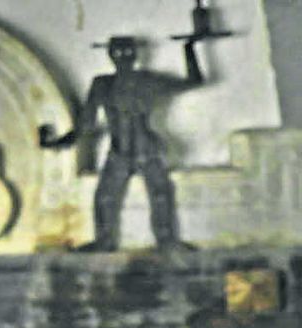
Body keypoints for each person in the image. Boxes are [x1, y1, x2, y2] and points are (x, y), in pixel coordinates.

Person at [38, 10, 221, 252]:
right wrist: (60, 142)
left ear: (135, 54)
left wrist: (189, 48)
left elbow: (194, 81)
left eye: (127, 52)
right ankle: (104, 240)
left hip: (147, 147)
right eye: (118, 52)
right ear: (110, 55)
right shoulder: (102, 84)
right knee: (105, 197)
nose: (123, 57)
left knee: (160, 194)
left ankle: (167, 241)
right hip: (119, 150)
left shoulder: (148, 80)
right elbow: (87, 124)